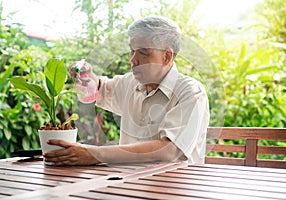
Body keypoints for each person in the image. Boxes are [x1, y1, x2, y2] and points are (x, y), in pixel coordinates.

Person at [44, 15, 210, 165]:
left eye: (143, 53)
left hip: (177, 188)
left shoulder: (191, 92)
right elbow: (100, 89)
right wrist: (88, 77)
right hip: (128, 183)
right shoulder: (129, 83)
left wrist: (95, 154)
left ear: (166, 56)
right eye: (132, 51)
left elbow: (169, 150)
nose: (133, 60)